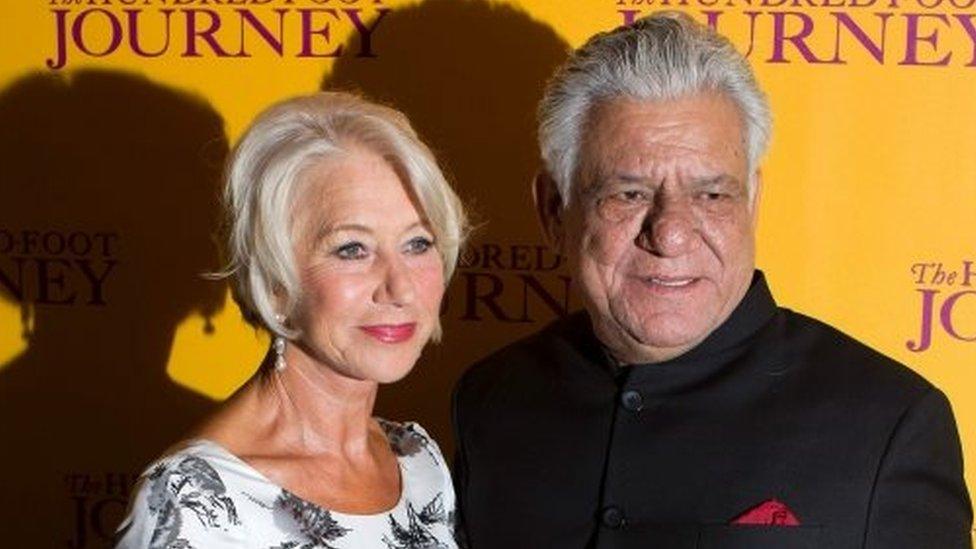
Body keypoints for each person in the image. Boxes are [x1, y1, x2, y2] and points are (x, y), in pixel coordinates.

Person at [452, 11, 972, 548]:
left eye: (712, 195)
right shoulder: (490, 399)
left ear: (752, 205)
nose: (671, 234)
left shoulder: (890, 423)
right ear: (555, 213)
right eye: (627, 194)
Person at [115, 92, 466, 548]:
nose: (400, 288)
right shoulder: (195, 504)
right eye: (352, 249)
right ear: (274, 281)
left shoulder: (418, 461)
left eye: (418, 243)